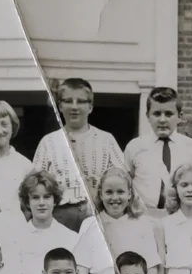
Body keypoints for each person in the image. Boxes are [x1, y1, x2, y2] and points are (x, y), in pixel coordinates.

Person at [32, 78, 125, 231]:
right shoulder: (49, 142)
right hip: (60, 214)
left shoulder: (106, 139)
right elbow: (35, 183)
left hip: (98, 212)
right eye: (68, 101)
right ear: (60, 106)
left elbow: (123, 178)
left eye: (81, 101)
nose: (74, 107)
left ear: (90, 107)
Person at [74, 166, 165, 274]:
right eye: (109, 192)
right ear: (100, 194)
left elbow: (152, 272)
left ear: (129, 194)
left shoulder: (142, 224)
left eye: (120, 192)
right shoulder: (91, 224)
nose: (115, 198)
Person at [8, 170, 79, 274]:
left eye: (47, 197)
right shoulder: (15, 237)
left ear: (55, 200)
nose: (41, 203)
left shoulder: (71, 237)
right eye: (35, 197)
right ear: (27, 202)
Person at [126, 87, 192, 215]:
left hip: (181, 216)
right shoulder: (135, 147)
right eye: (157, 114)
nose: (162, 120)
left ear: (179, 116)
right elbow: (126, 183)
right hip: (144, 216)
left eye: (168, 114)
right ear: (148, 116)